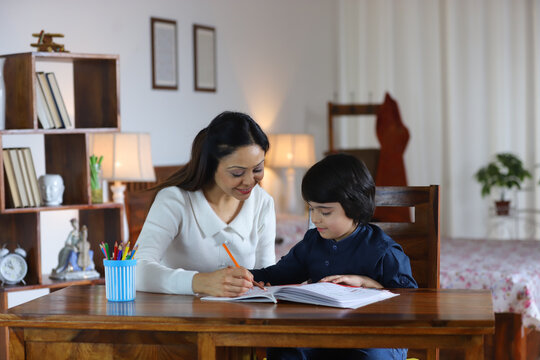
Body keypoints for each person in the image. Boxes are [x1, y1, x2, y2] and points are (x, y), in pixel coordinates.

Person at [251, 153, 417, 360]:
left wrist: (367, 283)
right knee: (283, 348)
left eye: (325, 212)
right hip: (324, 334)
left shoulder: (384, 250)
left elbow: (410, 302)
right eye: (312, 209)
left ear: (354, 206)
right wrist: (246, 277)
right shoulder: (312, 242)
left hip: (376, 337)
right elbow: (278, 275)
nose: (315, 218)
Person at [135, 111, 276, 297]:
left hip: (243, 318)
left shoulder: (262, 202)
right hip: (180, 320)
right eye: (237, 173)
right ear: (211, 166)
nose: (250, 181)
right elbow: (135, 270)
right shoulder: (174, 200)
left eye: (258, 169)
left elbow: (267, 276)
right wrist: (200, 282)